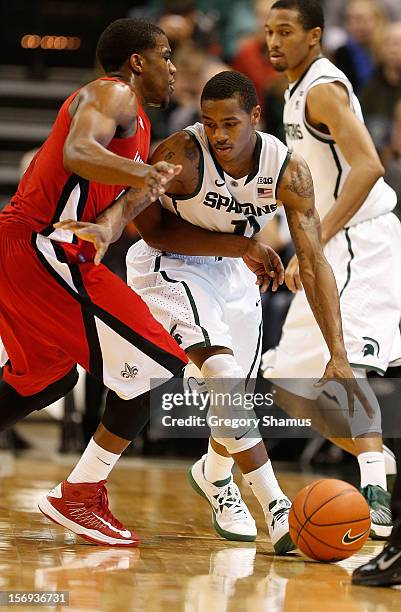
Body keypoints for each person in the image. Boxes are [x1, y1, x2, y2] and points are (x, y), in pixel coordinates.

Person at [57, 70, 371, 554]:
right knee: (221, 373)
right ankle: (276, 506)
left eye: (230, 124)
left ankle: (214, 475)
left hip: (235, 275)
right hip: (170, 265)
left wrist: (339, 355)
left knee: (234, 400)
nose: (218, 135)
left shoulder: (288, 170)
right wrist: (111, 226)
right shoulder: (180, 154)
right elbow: (155, 231)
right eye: (209, 123)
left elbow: (313, 261)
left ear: (256, 117)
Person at [0, 18, 191, 547]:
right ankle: (79, 495)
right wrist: (143, 176)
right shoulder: (111, 95)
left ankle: (81, 492)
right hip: (38, 246)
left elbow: (118, 205)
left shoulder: (143, 128)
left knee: (44, 379)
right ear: (137, 61)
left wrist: (115, 219)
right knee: (153, 361)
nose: (172, 68)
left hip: (45, 251)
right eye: (165, 55)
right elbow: (77, 153)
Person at [262, 0, 401, 539]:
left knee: (346, 369)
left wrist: (314, 240)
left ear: (314, 36)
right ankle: (379, 459)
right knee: (291, 388)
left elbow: (369, 166)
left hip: (361, 241)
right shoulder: (293, 90)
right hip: (329, 243)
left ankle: (374, 491)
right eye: (269, 31)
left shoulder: (322, 87)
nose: (274, 41)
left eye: (286, 31)